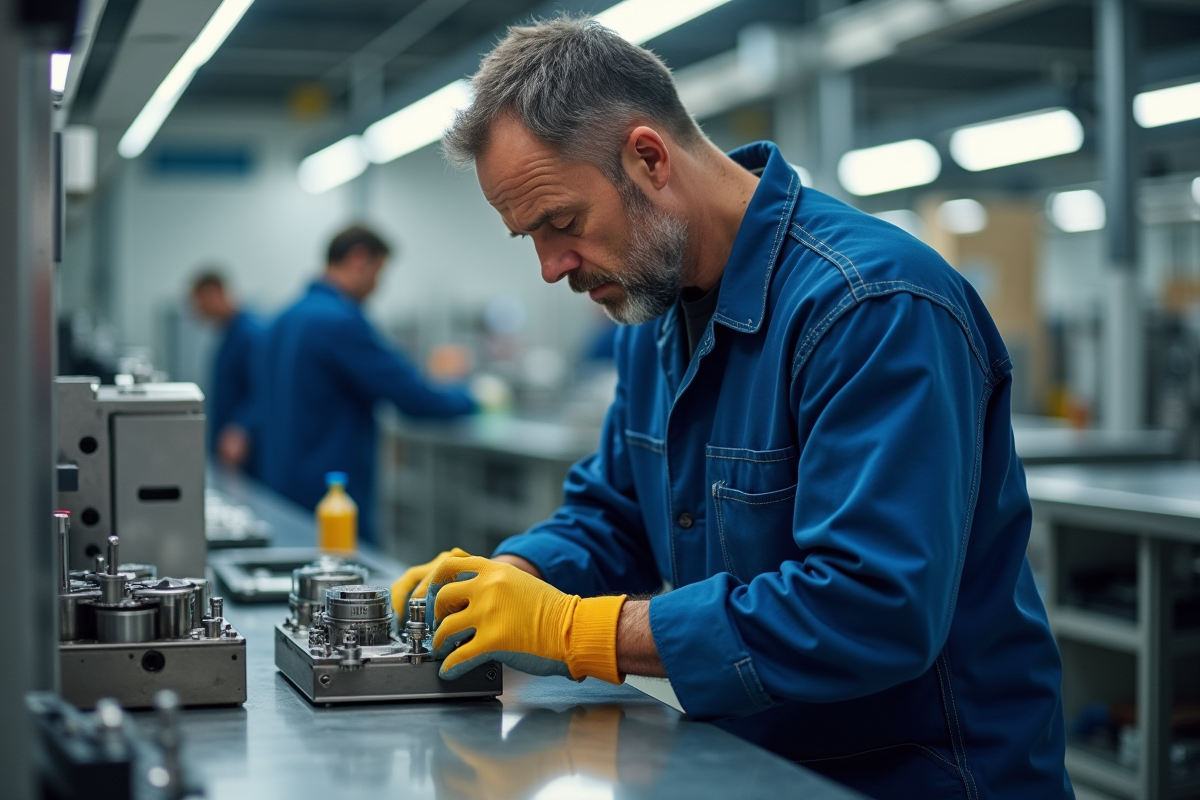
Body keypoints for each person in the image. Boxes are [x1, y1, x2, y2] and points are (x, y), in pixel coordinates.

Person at [391, 17, 1072, 800]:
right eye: (529, 239)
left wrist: (578, 631)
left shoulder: (870, 307)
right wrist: (512, 577)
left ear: (648, 159)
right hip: (750, 761)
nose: (551, 269)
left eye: (562, 224)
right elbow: (616, 513)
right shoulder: (651, 314)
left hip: (917, 776)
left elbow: (872, 607)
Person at [257, 225, 477, 545]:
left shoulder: (283, 318)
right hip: (330, 494)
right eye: (378, 273)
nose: (377, 287)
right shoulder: (340, 322)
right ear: (360, 260)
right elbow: (411, 396)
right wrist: (470, 398)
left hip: (280, 487)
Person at [190, 270, 264, 473]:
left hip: (246, 446)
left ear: (213, 293)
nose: (196, 311)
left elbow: (263, 390)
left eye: (198, 302)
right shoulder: (228, 334)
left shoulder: (249, 334)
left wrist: (242, 427)